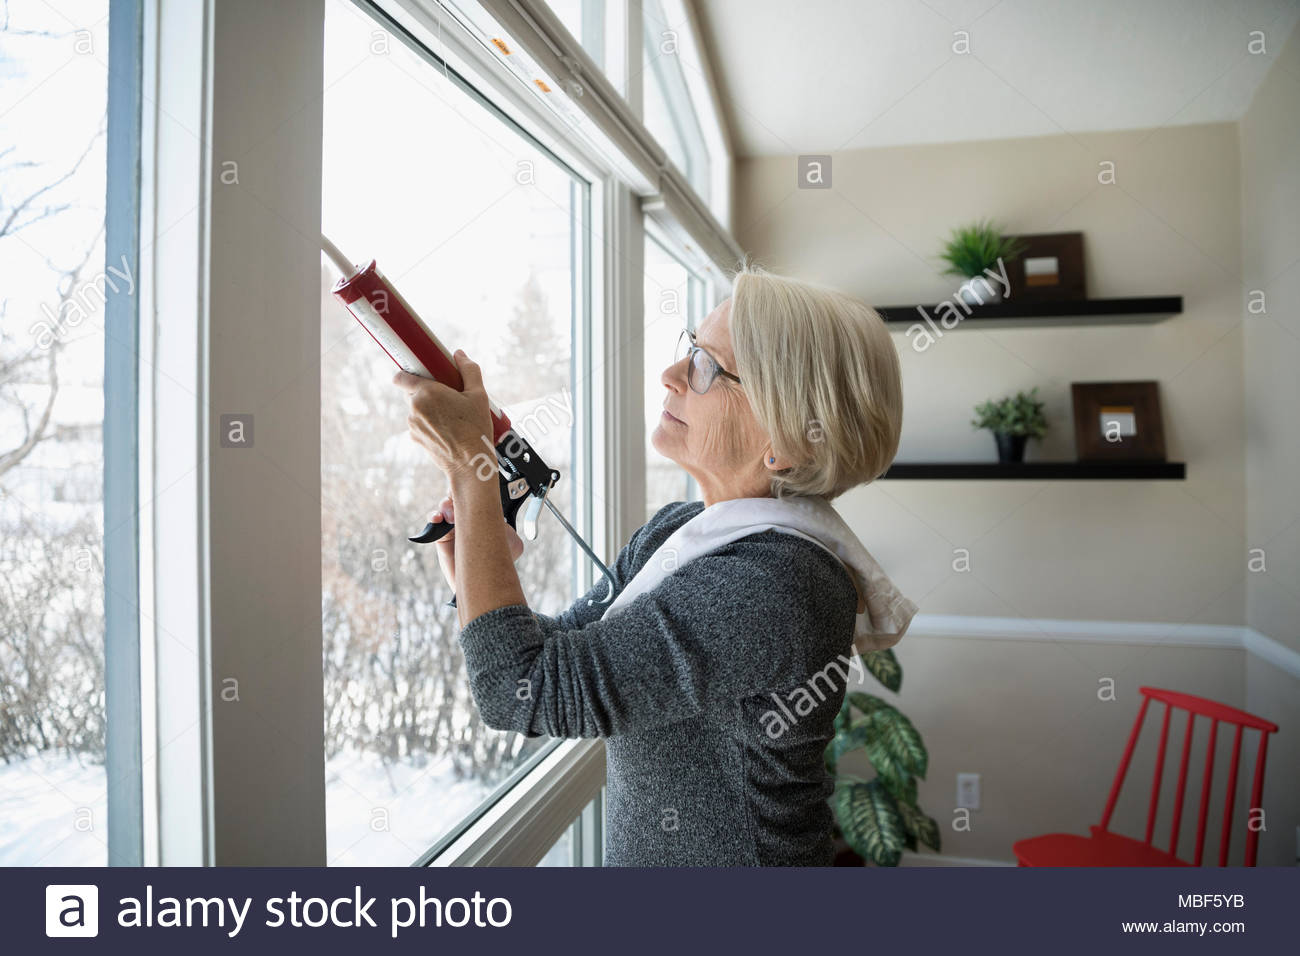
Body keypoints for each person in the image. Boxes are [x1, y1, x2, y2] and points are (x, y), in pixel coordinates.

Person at [393, 261, 915, 866]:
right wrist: (471, 562)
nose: (670, 375)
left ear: (787, 441)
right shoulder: (677, 529)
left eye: (705, 369)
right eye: (689, 348)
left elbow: (523, 693)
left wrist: (469, 469)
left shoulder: (779, 584)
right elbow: (554, 655)